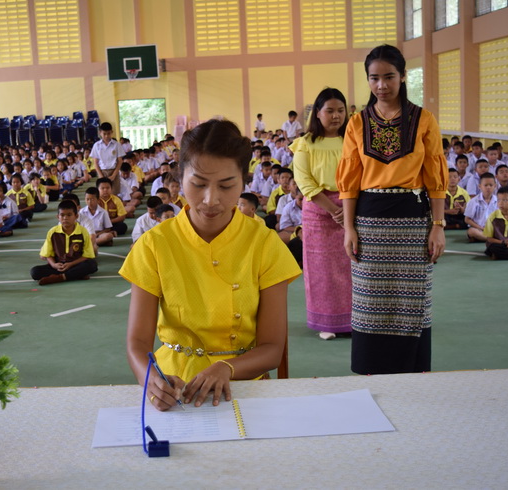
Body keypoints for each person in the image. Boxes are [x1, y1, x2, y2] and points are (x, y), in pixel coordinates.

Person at [120, 119, 301, 411]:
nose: (210, 199)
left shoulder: (265, 244)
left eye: (226, 185)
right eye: (199, 184)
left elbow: (271, 348)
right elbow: (138, 343)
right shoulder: (154, 244)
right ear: (180, 178)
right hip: (174, 384)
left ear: (244, 181)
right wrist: (149, 378)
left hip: (242, 383)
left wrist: (226, 368)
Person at [337, 45, 448, 375]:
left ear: (403, 76)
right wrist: (349, 228)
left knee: (412, 300)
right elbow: (349, 182)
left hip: (413, 220)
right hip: (369, 220)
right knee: (369, 302)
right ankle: (372, 372)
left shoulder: (424, 119)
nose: (382, 85)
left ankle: (413, 373)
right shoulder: (357, 123)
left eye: (389, 77)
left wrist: (438, 225)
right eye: (374, 78)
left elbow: (435, 177)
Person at [291, 87, 352, 340]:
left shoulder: (353, 141)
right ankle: (326, 322)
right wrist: (334, 210)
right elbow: (304, 182)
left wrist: (346, 208)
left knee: (350, 264)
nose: (336, 116)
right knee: (322, 268)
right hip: (318, 210)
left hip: (351, 205)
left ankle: (353, 319)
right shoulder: (305, 143)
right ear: (317, 113)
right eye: (330, 111)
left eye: (340, 110)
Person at [30, 200, 98, 285]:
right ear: (58, 217)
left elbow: (87, 256)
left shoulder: (83, 232)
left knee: (92, 264)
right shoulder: (52, 232)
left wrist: (71, 264)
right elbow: (48, 254)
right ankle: (75, 275)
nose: (65, 218)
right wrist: (54, 265)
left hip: (75, 264)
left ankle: (60, 277)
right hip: (58, 265)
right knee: (35, 272)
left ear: (76, 216)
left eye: (69, 215)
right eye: (62, 215)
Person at [91, 122, 125, 195]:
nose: (106, 136)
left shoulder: (116, 145)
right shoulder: (96, 145)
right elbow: (95, 163)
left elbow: (120, 161)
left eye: (108, 133)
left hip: (114, 171)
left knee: (114, 194)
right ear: (100, 133)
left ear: (112, 132)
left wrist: (114, 175)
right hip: (102, 171)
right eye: (104, 134)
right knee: (102, 194)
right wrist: (100, 175)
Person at [465, 173, 497, 242]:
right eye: (485, 185)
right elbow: (467, 219)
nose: (488, 187)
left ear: (495, 186)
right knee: (471, 231)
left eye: (491, 185)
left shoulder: (498, 201)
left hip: (494, 229)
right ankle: (494, 239)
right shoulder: (473, 201)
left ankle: (485, 238)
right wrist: (481, 228)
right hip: (479, 229)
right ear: (480, 186)